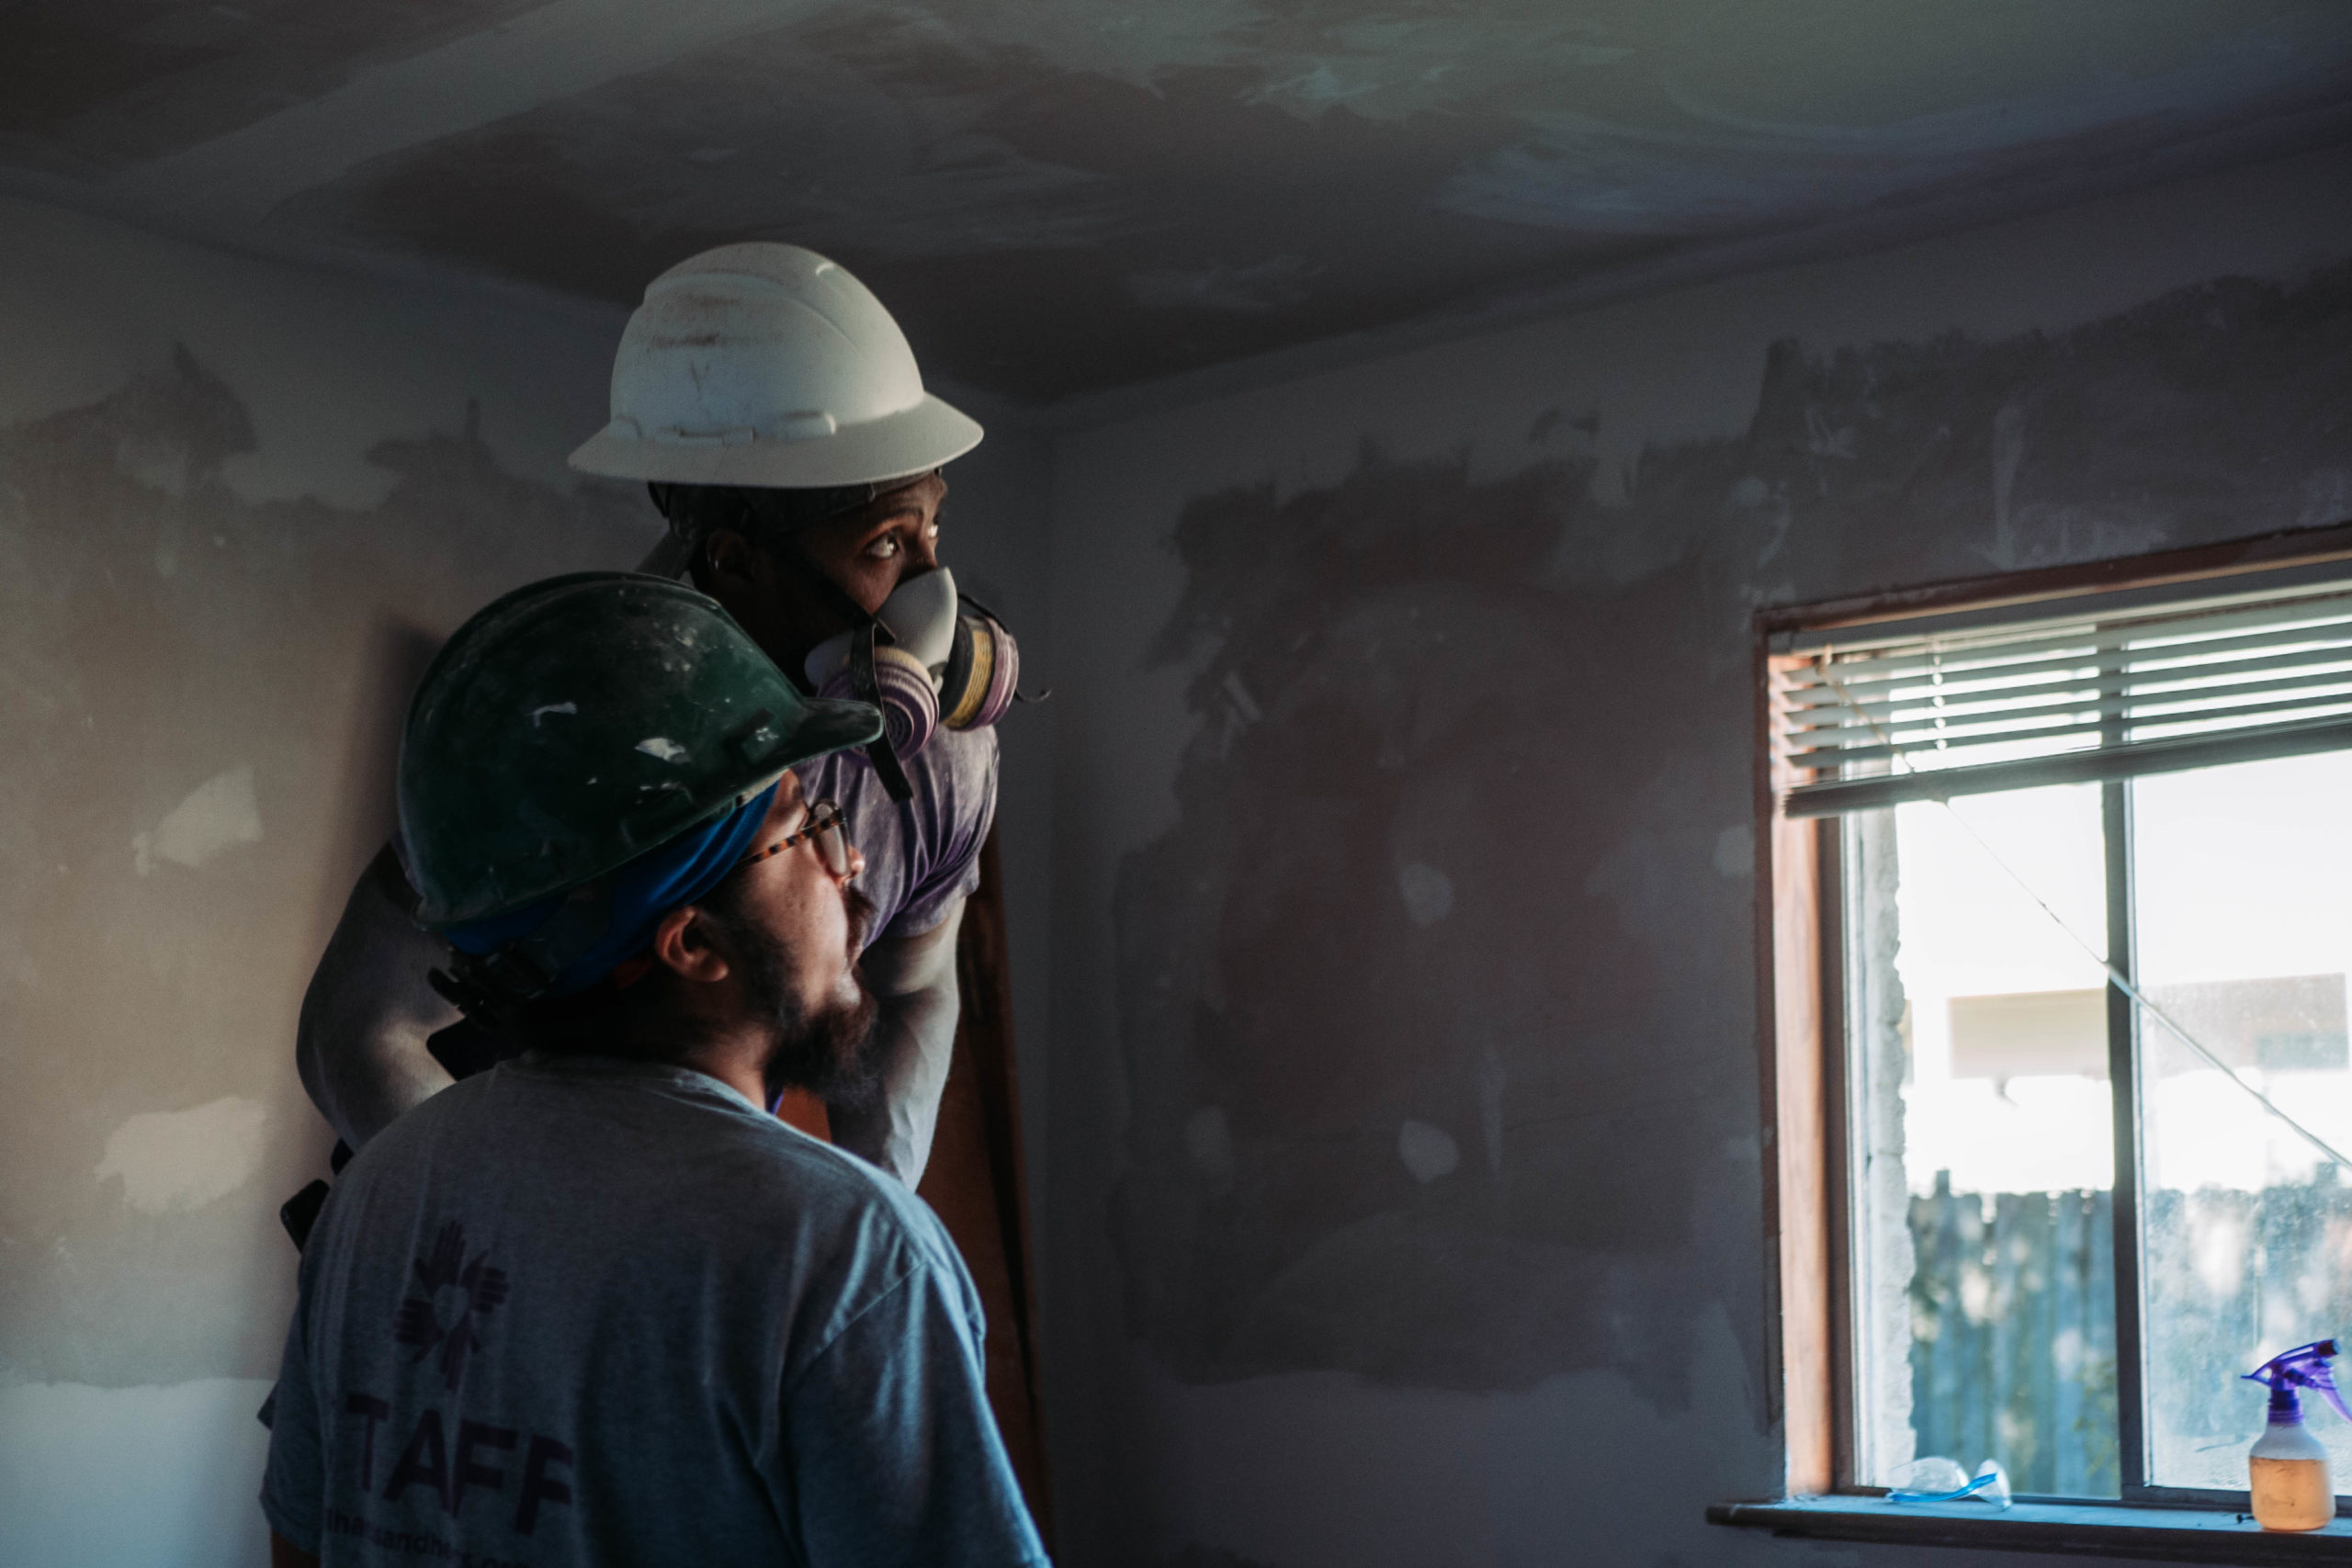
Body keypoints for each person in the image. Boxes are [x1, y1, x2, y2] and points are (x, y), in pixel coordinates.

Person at [260, 572, 1048, 1567]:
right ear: (691, 945)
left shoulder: (380, 1195)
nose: (849, 867)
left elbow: (301, 1544)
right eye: (805, 827)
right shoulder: (844, 1256)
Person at [298, 243, 1013, 1186]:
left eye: (931, 529)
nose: (932, 596)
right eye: (884, 542)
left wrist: (878, 1204)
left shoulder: (934, 762)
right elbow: (359, 1028)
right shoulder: (571, 730)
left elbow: (916, 991)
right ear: (732, 560)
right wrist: (514, 1235)